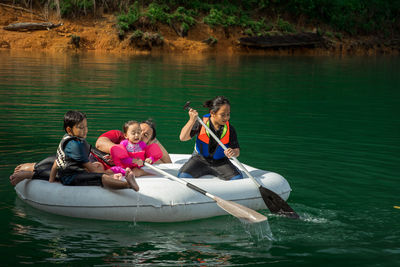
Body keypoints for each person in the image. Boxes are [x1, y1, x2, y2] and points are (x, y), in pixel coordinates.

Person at [10, 118, 170, 185]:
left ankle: (34, 171)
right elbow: (100, 143)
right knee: (58, 163)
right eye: (139, 130)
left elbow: (167, 161)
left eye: (146, 135)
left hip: (96, 169)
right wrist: (120, 152)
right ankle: (34, 167)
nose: (140, 135)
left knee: (72, 173)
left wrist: (151, 142)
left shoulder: (142, 151)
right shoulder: (118, 135)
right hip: (88, 157)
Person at [47, 110, 139, 191]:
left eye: (86, 126)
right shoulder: (75, 146)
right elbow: (91, 169)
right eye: (81, 127)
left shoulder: (67, 139)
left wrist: (51, 181)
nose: (85, 130)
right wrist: (110, 176)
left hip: (70, 173)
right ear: (69, 129)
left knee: (98, 166)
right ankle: (128, 185)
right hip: (71, 178)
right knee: (102, 177)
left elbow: (56, 162)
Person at [178, 96, 243, 180]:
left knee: (237, 178)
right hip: (200, 159)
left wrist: (233, 152)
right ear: (212, 113)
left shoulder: (230, 129)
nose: (227, 118)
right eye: (222, 115)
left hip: (221, 161)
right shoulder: (201, 123)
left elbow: (237, 151)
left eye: (228, 114)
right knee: (183, 176)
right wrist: (191, 120)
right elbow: (182, 138)